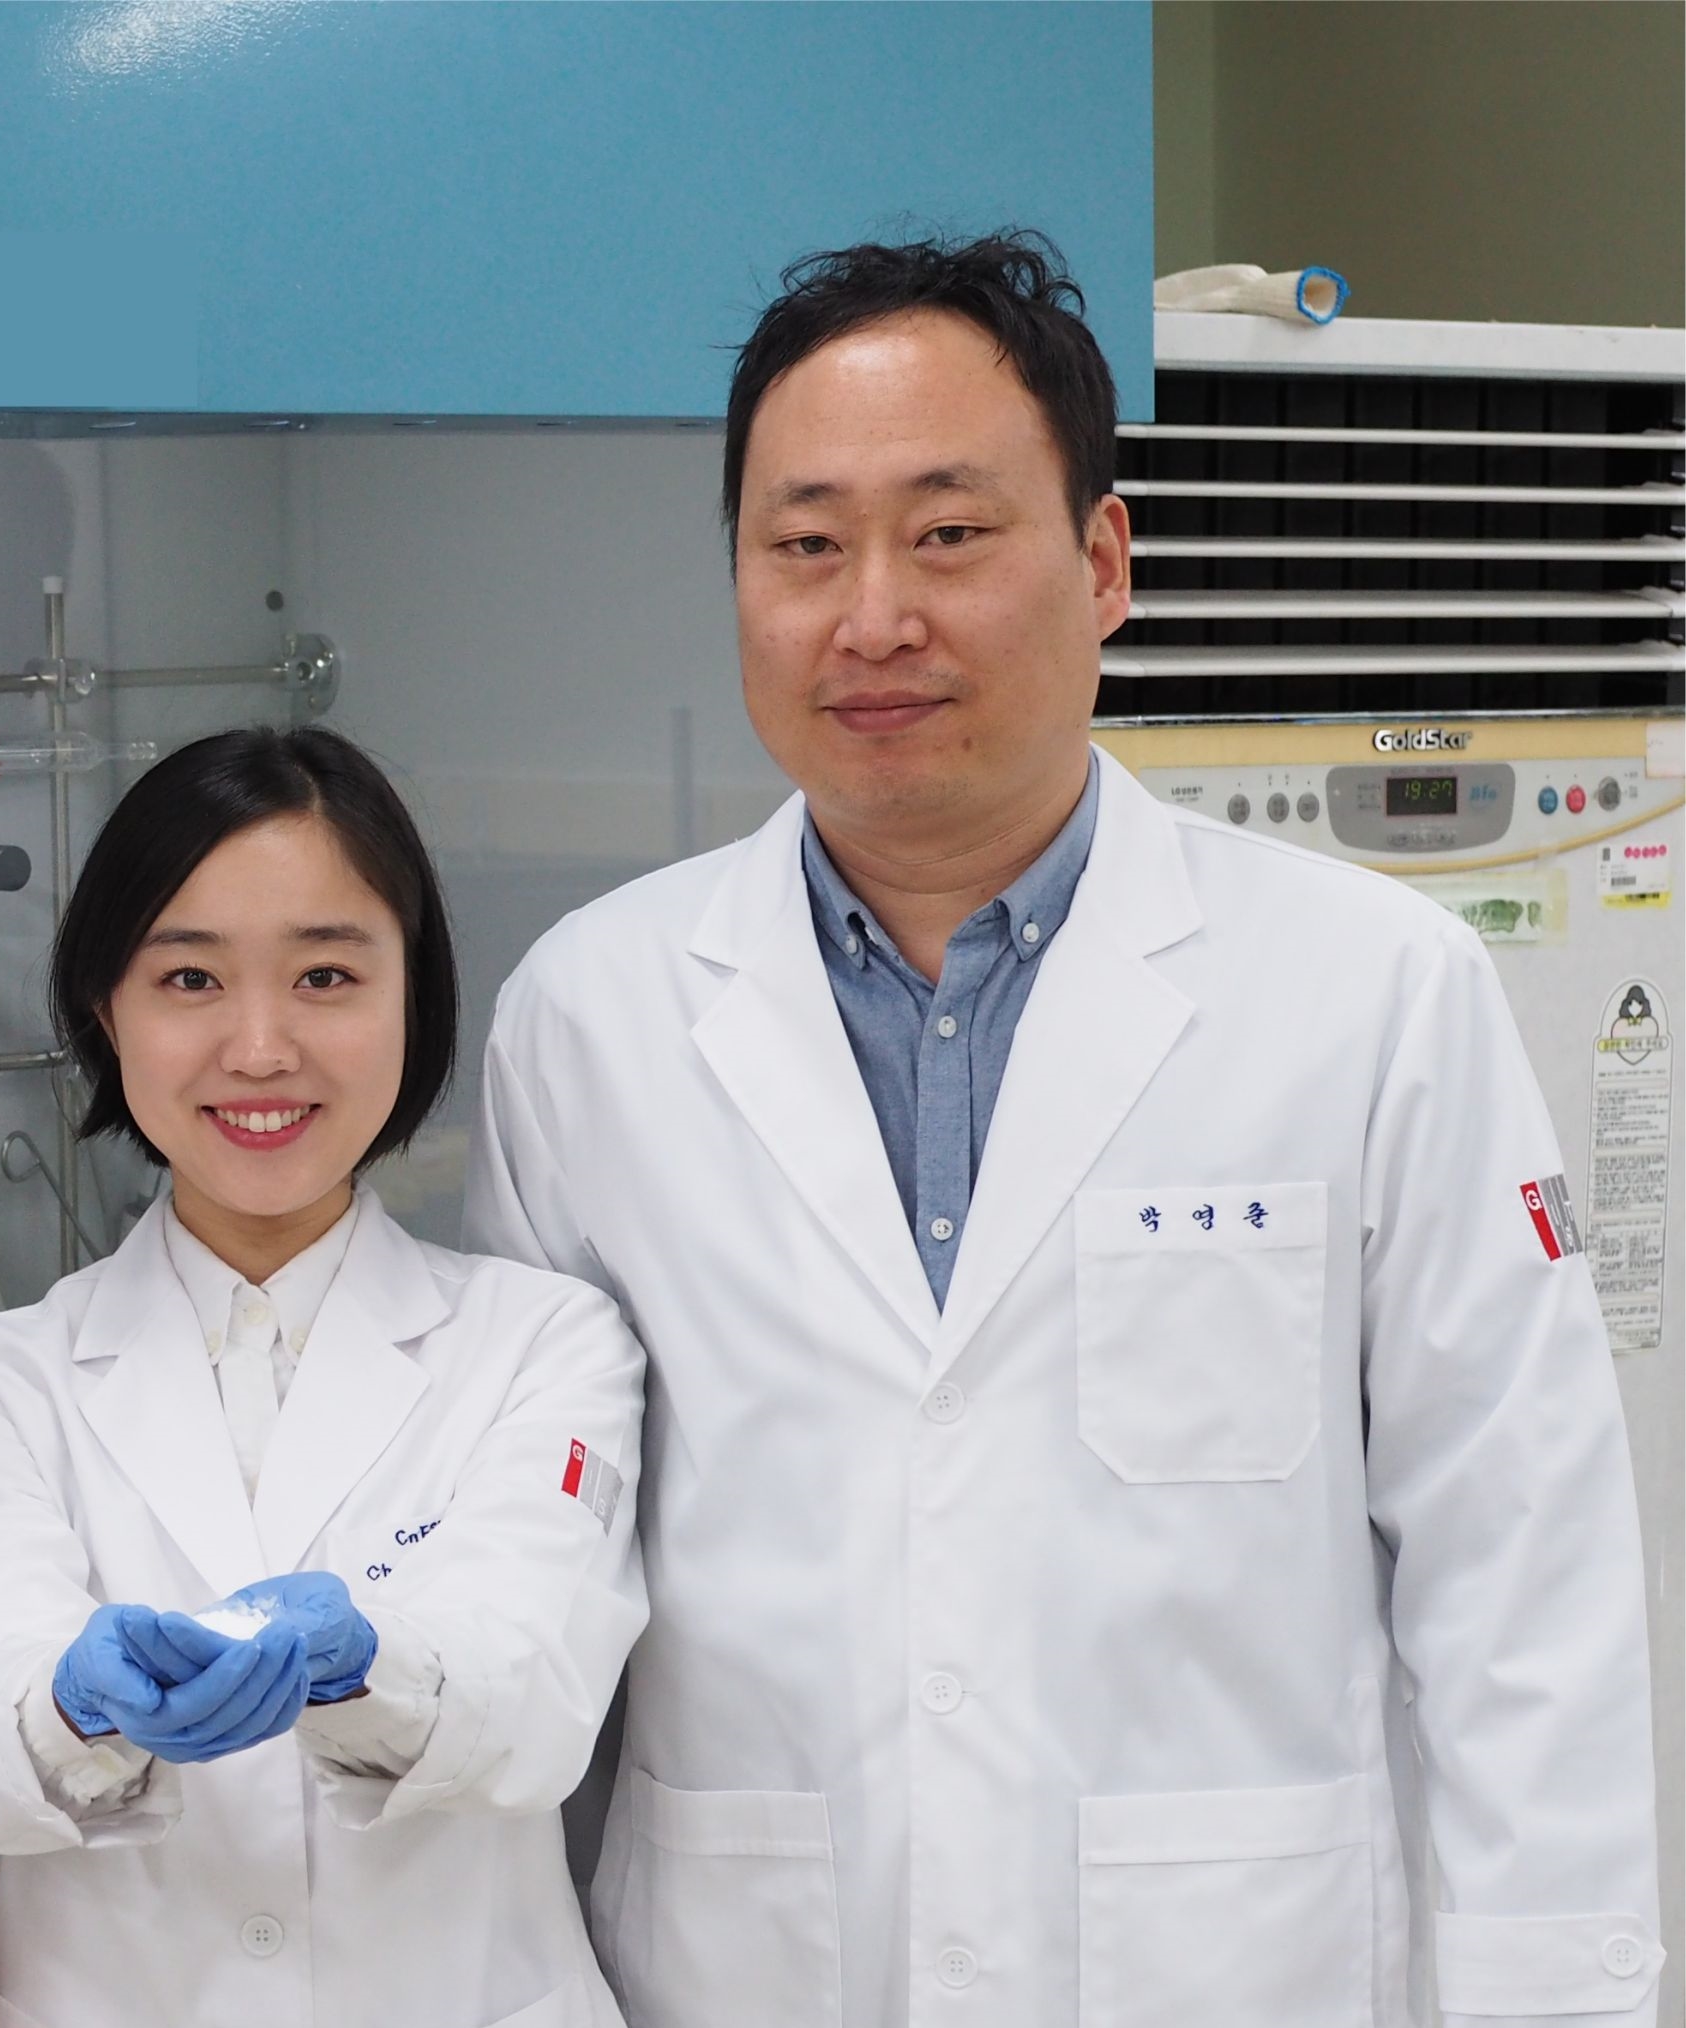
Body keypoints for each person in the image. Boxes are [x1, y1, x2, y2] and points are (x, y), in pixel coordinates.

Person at [468, 234, 1663, 2028]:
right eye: (804, 546)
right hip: (744, 1967)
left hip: (1232, 1972)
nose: (873, 616)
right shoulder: (589, 1015)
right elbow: (537, 1569)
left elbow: (1523, 1578)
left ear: (1102, 563)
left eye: (949, 533)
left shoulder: (1370, 989)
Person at [0, 727, 646, 2028]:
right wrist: (71, 1704)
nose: (258, 1048)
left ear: (413, 1001)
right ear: (104, 1009)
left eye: (325, 976)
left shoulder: (546, 1345)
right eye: (189, 977)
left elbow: (531, 1695)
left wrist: (365, 1669)